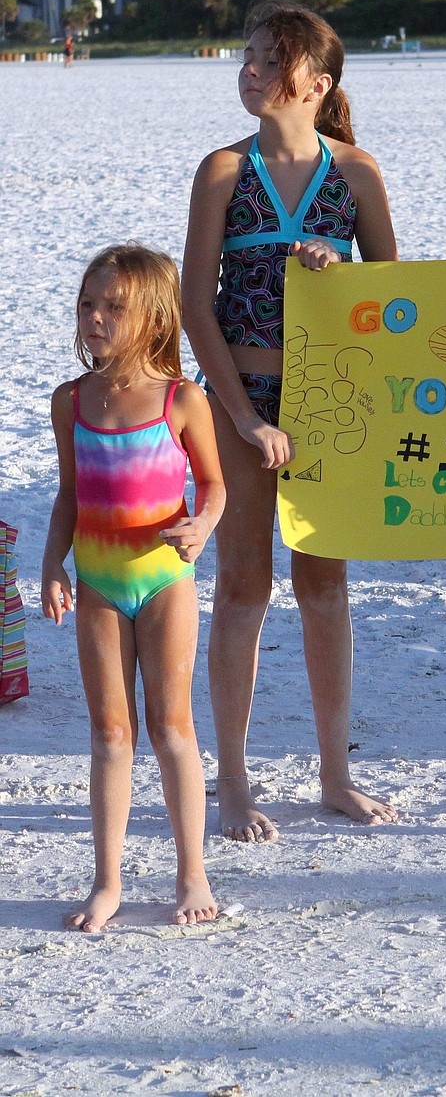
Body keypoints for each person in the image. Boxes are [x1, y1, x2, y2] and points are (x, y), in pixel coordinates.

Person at [182, 0, 399, 842]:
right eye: (247, 56)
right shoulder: (222, 171)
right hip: (241, 399)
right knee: (242, 585)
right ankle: (231, 782)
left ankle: (335, 774)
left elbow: (395, 297)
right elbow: (197, 306)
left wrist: (338, 269)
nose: (250, 70)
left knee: (324, 586)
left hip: (333, 403)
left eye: (269, 60)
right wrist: (239, 417)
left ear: (317, 82)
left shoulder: (358, 173)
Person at [41, 244, 226, 931]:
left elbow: (213, 483)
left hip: (165, 581)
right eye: (89, 304)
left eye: (112, 307)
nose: (95, 317)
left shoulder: (182, 399)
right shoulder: (71, 401)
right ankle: (109, 879)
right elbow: (68, 494)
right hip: (96, 583)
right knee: (110, 731)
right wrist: (52, 563)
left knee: (171, 725)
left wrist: (203, 523)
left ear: (151, 319)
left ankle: (192, 871)